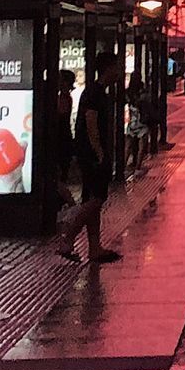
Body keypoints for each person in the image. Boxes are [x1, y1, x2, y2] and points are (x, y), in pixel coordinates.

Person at [56, 52, 122, 263]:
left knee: (93, 199)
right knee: (97, 199)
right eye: (117, 67)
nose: (120, 71)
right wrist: (100, 151)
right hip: (93, 154)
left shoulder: (95, 91)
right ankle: (69, 236)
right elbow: (91, 121)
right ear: (108, 68)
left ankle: (95, 247)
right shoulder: (96, 93)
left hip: (89, 152)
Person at [125, 75, 149, 173]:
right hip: (142, 122)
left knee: (128, 146)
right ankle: (138, 167)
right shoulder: (143, 92)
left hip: (132, 122)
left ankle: (123, 166)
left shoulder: (128, 92)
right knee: (141, 147)